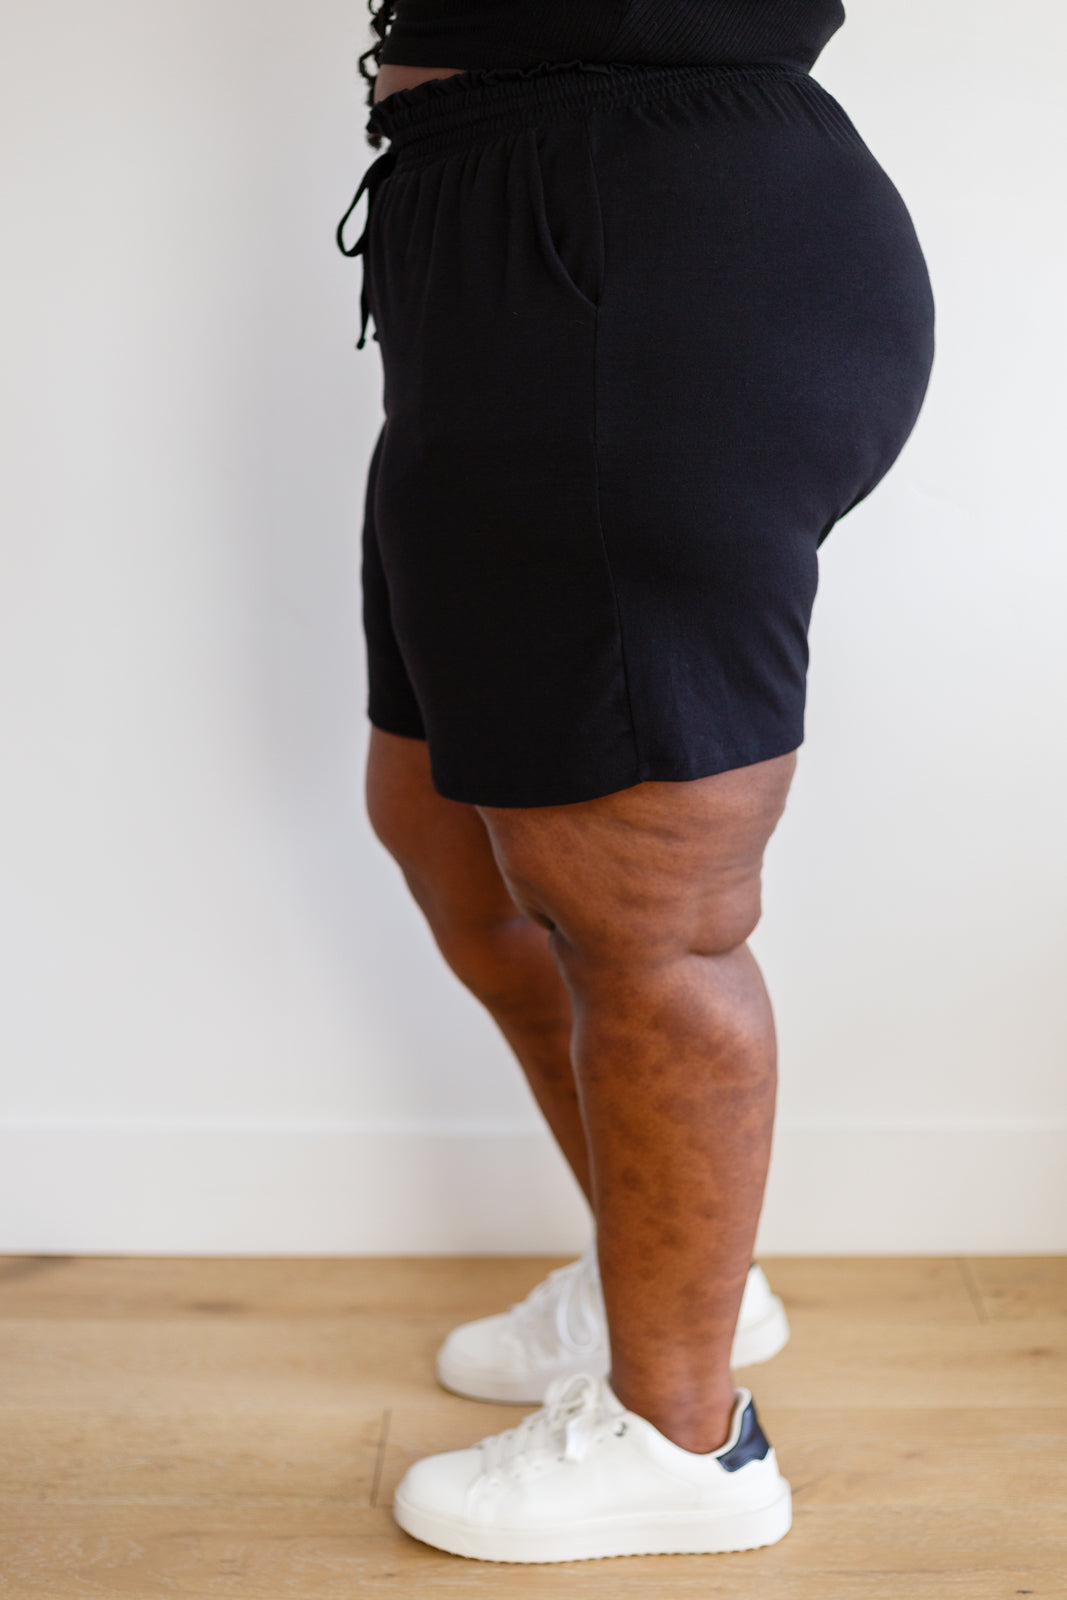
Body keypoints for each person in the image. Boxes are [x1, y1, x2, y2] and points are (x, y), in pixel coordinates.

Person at [336, 0, 935, 1564]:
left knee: (651, 909)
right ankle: (672, 1283)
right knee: (443, 830)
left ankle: (686, 1439)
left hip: (639, 245)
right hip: (503, 262)